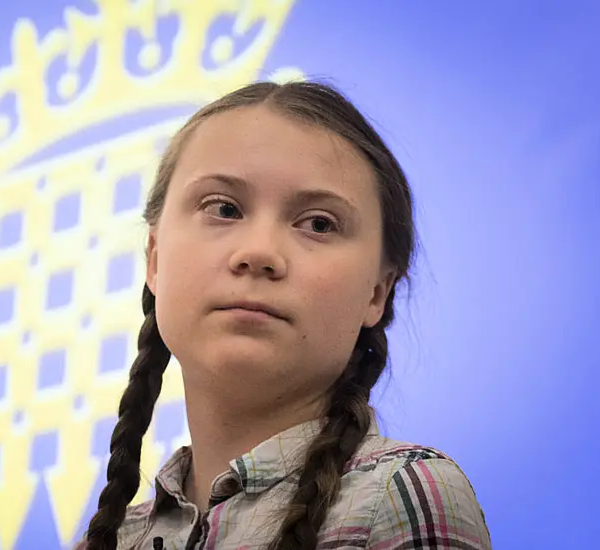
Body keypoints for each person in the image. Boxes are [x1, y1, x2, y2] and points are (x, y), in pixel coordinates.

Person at [76, 80, 492, 549]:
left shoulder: (396, 496)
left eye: (318, 223)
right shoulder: (116, 536)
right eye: (224, 208)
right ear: (154, 258)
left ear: (377, 292)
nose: (258, 252)